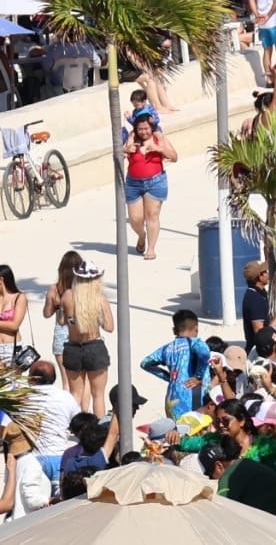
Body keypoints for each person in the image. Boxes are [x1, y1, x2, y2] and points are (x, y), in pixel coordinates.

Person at [61, 262, 112, 419]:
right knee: (98, 395)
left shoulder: (67, 296)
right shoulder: (100, 299)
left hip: (73, 347)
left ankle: (73, 427)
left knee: (75, 394)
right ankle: (100, 430)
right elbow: (109, 327)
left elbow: (62, 321)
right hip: (94, 347)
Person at [139, 308, 212, 418]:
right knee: (196, 432)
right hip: (193, 397)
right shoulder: (195, 343)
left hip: (172, 399)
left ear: (174, 330)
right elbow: (204, 354)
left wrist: (170, 377)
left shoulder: (167, 348)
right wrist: (198, 376)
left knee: (175, 433)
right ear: (196, 329)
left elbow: (145, 363)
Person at [123, 112, 176, 259]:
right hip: (133, 183)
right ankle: (141, 235)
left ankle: (151, 249)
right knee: (135, 218)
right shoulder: (132, 138)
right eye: (140, 129)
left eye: (146, 128)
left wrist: (159, 149)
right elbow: (122, 152)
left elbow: (174, 156)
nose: (143, 131)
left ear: (151, 127)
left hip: (155, 182)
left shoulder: (158, 138)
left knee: (152, 216)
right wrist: (126, 150)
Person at [24, 361, 81, 484]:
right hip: (59, 457)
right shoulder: (65, 397)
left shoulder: (24, 398)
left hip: (32, 459)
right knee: (61, 501)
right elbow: (80, 423)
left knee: (36, 501)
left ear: (31, 378)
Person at [40, 252, 79, 385]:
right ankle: (83, 407)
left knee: (66, 380)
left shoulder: (55, 289)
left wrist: (55, 303)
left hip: (62, 332)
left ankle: (68, 405)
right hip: (79, 331)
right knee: (81, 379)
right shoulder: (82, 289)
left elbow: (46, 313)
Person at [0, 266, 25, 367]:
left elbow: (14, 325)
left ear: (1, 280)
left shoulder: (19, 298)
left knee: (13, 381)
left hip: (12, 347)